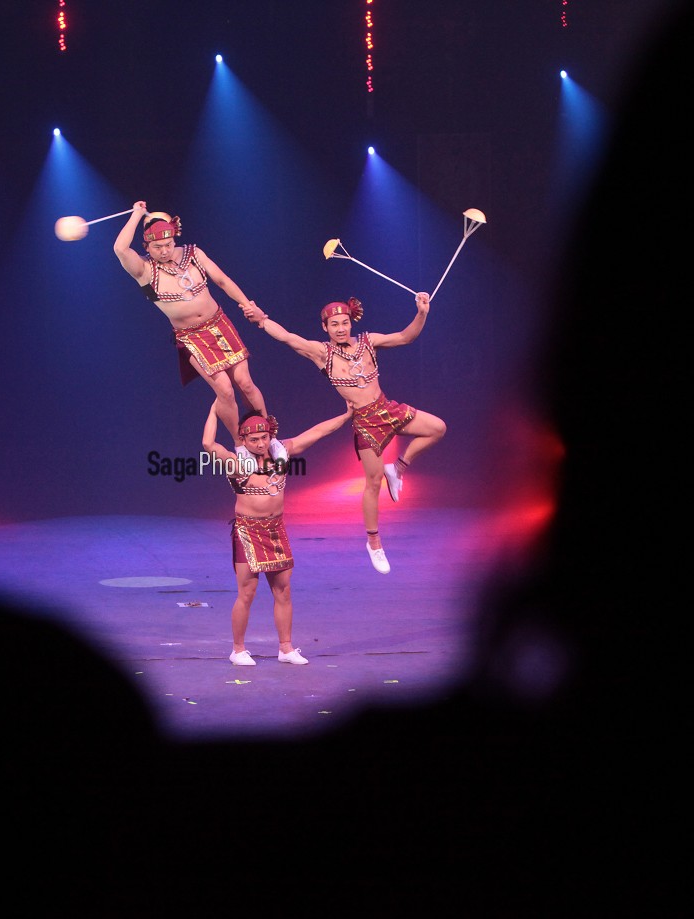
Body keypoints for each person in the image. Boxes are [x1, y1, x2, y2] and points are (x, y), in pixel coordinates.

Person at [241, 293, 446, 574]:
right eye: (334, 324)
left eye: (345, 322)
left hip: (387, 408)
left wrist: (422, 313)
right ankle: (374, 543)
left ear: (351, 323)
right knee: (372, 483)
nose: (340, 328)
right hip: (365, 421)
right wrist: (261, 320)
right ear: (325, 327)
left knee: (437, 428)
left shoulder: (368, 342)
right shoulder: (322, 353)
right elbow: (288, 338)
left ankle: (398, 468)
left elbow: (404, 337)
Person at [115, 201, 287, 466]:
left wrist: (247, 305)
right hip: (190, 336)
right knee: (225, 390)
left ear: (174, 238)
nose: (164, 250)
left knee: (245, 383)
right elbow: (119, 248)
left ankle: (268, 436)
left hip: (218, 323)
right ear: (147, 247)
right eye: (157, 247)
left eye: (168, 244)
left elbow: (222, 280)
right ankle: (240, 445)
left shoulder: (193, 254)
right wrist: (137, 214)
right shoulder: (143, 270)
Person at [201, 402, 353, 665]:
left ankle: (286, 648)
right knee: (247, 593)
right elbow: (208, 445)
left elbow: (317, 432)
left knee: (283, 591)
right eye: (254, 439)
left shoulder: (282, 452)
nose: (260, 443)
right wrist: (215, 410)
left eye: (264, 437)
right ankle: (237, 650)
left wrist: (346, 415)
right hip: (248, 532)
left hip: (275, 531)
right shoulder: (237, 462)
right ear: (244, 439)